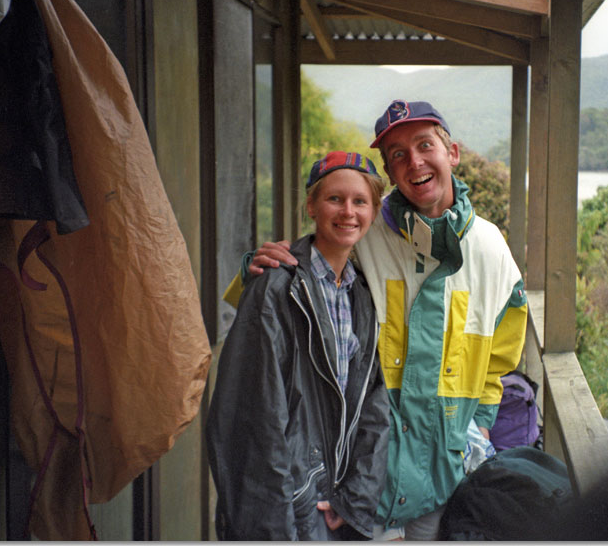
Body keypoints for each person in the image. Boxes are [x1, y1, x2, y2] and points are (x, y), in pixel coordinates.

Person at [248, 100, 528, 540]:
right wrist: (257, 265)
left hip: (444, 481)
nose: (414, 161)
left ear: (451, 152)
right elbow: (306, 273)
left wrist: (479, 427)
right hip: (364, 481)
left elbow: (501, 357)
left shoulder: (491, 249)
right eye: (397, 154)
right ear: (390, 172)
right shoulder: (368, 231)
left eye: (424, 145)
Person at [206, 151, 390, 540]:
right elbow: (253, 419)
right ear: (311, 205)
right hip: (290, 503)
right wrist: (272, 526)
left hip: (336, 506)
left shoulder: (363, 294)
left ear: (373, 211)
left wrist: (355, 499)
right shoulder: (277, 288)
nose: (348, 212)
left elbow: (374, 403)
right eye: (334, 199)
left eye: (360, 201)